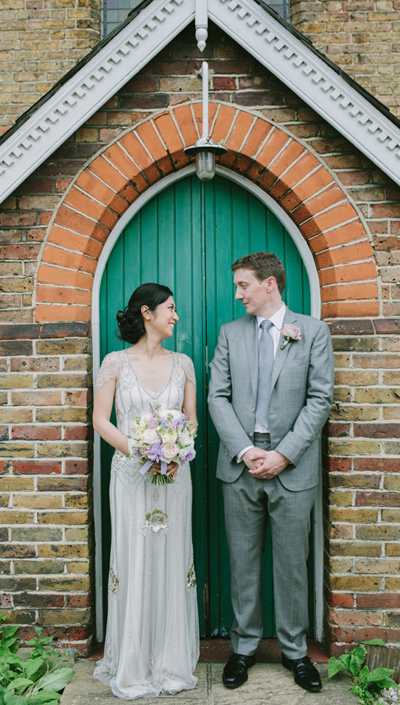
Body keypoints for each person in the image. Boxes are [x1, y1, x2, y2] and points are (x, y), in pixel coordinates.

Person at [208, 252, 334, 693]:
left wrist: (283, 454)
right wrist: (245, 450)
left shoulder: (312, 332)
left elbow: (319, 400)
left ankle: (295, 652)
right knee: (242, 562)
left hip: (292, 467)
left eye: (244, 285)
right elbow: (217, 398)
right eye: (238, 285)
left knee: (292, 565)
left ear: (270, 285)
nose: (237, 293)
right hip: (240, 466)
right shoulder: (230, 334)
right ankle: (243, 649)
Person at [93, 282, 199, 700]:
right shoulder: (115, 363)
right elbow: (102, 420)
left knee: (173, 558)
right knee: (133, 558)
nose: (175, 316)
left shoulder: (185, 364)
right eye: (170, 309)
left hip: (175, 476)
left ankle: (170, 661)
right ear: (147, 313)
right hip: (131, 476)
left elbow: (190, 420)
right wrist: (142, 452)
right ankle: (132, 662)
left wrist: (177, 450)